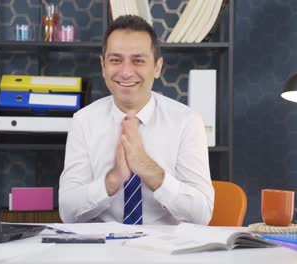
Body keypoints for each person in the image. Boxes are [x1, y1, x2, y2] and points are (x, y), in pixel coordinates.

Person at [59, 15, 214, 225]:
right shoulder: (83, 121)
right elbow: (67, 213)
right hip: (103, 251)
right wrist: (111, 181)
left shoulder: (187, 121)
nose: (125, 72)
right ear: (103, 66)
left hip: (166, 253)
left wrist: (150, 171)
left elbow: (202, 215)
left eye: (138, 60)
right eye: (115, 60)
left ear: (157, 67)